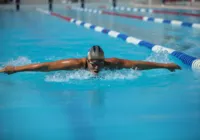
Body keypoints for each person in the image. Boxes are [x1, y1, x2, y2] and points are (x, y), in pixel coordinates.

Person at [0, 45, 181, 75]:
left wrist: (165, 65)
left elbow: (138, 64)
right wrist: (15, 69)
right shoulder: (74, 65)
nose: (97, 66)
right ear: (87, 60)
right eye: (93, 63)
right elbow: (44, 67)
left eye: (100, 63)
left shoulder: (111, 63)